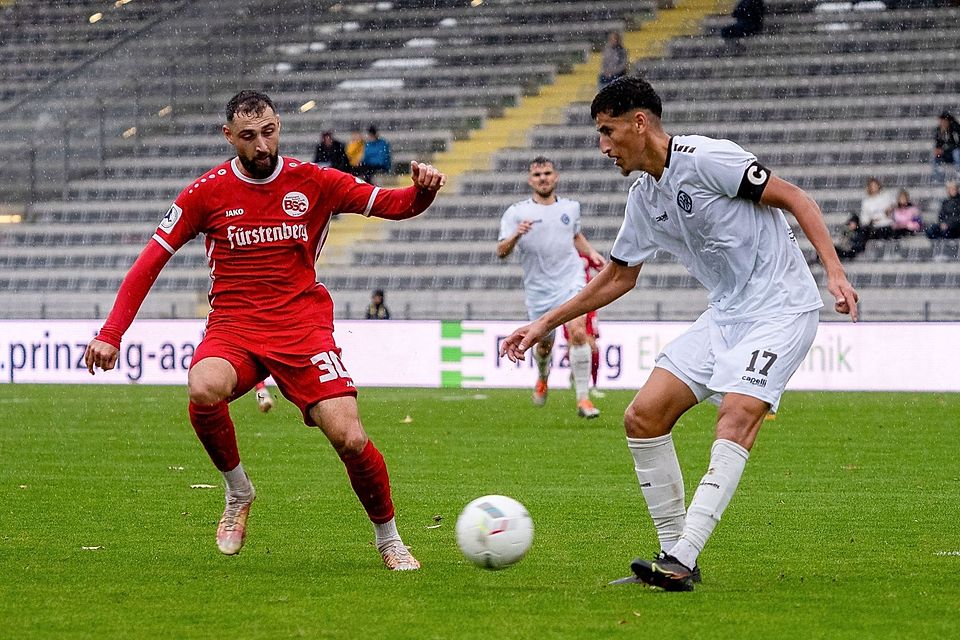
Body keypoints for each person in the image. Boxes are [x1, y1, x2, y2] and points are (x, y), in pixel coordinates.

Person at [499, 77, 858, 591]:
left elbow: (795, 197)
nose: (603, 146)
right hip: (726, 314)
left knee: (735, 416)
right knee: (643, 417)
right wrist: (542, 324)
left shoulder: (707, 158)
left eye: (608, 131)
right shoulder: (644, 196)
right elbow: (620, 276)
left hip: (781, 308)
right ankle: (671, 553)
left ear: (639, 123)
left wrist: (835, 273)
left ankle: (684, 556)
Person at [83, 90, 446, 570]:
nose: (261, 145)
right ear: (229, 136)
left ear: (279, 128)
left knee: (350, 437)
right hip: (235, 327)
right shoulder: (204, 192)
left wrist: (423, 190)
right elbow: (150, 261)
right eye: (249, 136)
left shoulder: (313, 180)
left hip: (302, 328)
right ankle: (238, 491)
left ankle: (389, 538)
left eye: (269, 132)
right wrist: (112, 332)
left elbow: (394, 204)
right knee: (203, 386)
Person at [497, 156, 606, 419]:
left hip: (570, 280)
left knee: (578, 331)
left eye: (547, 173)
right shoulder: (516, 213)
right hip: (539, 290)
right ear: (529, 180)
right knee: (543, 345)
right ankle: (543, 375)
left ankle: (583, 399)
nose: (543, 178)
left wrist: (592, 254)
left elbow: (575, 236)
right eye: (537, 175)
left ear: (555, 177)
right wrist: (516, 235)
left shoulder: (571, 207)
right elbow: (501, 251)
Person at [565, 251, 605, 398]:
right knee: (575, 340)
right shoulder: (562, 253)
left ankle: (593, 384)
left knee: (593, 345)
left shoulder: (585, 252)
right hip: (569, 300)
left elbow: (604, 269)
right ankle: (577, 376)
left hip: (588, 302)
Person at [933, 111, 960, 182]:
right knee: (935, 156)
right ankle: (937, 178)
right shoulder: (939, 130)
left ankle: (959, 172)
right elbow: (938, 144)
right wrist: (938, 150)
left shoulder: (955, 128)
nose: (942, 123)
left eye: (944, 121)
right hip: (946, 154)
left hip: (954, 153)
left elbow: (957, 144)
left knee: (957, 153)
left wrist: (945, 149)